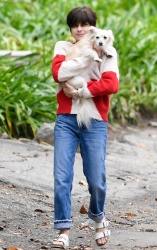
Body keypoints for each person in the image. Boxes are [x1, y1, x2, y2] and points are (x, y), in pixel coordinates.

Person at [52, 6, 119, 249]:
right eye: (75, 25)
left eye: (85, 25)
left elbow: (111, 84)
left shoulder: (107, 50)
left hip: (95, 121)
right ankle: (63, 230)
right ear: (70, 27)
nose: (80, 29)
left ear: (93, 26)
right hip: (66, 120)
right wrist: (82, 57)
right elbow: (58, 73)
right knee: (61, 178)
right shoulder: (63, 47)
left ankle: (99, 218)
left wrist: (81, 91)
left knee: (97, 180)